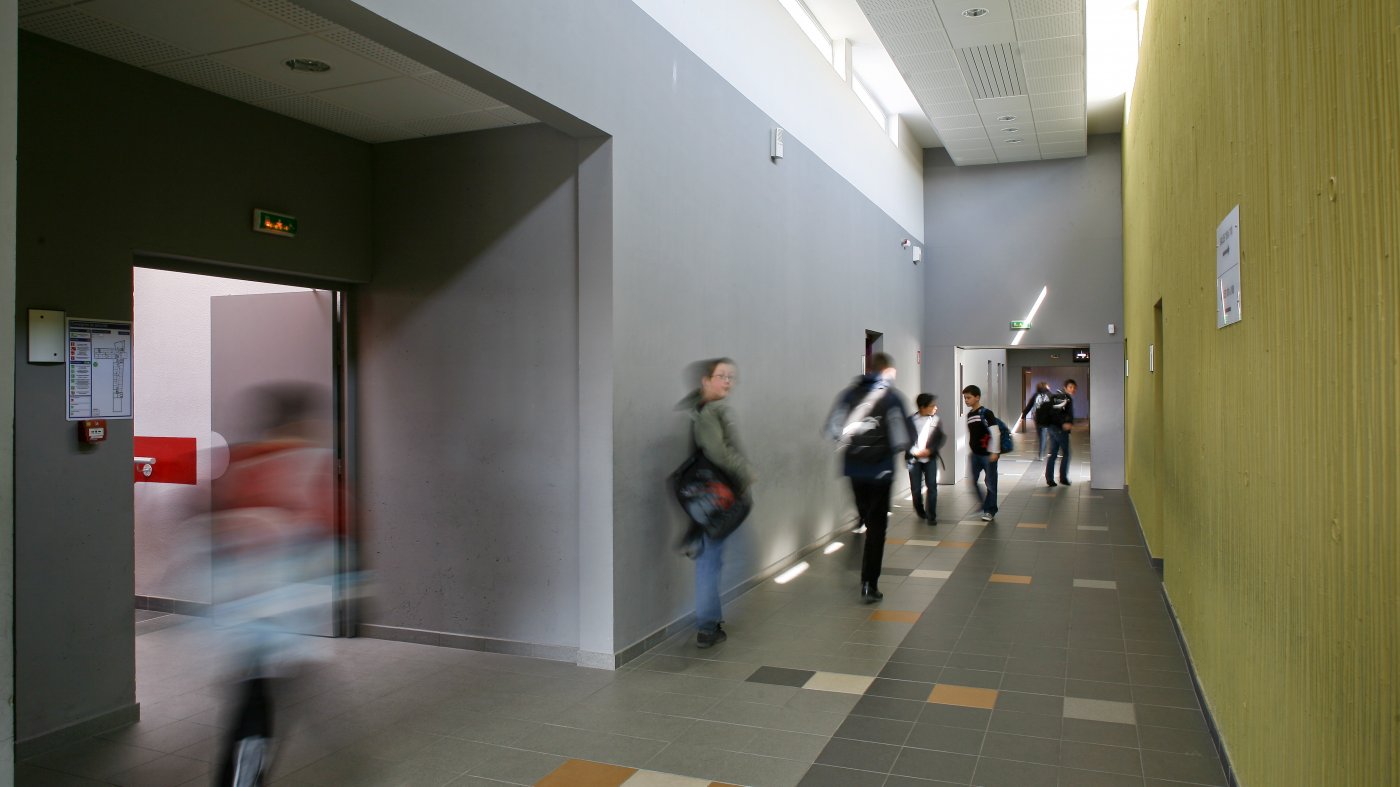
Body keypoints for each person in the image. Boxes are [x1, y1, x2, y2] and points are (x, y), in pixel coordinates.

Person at [678, 358, 754, 649]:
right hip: (716, 497)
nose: (727, 382)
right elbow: (718, 452)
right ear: (705, 381)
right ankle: (707, 626)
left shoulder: (701, 410)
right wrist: (746, 473)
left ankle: (710, 619)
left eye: (731, 377)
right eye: (721, 376)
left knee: (711, 559)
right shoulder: (710, 413)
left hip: (707, 496)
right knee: (713, 562)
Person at [825, 352, 912, 603]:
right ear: (888, 372)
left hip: (853, 470)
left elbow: (832, 429)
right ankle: (868, 584)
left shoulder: (848, 394)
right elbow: (903, 438)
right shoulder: (892, 397)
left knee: (864, 514)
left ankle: (859, 526)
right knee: (877, 528)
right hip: (881, 473)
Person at [962, 384, 1007, 521]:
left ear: (977, 397)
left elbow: (995, 433)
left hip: (988, 455)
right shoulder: (970, 415)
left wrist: (995, 452)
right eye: (965, 398)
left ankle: (990, 510)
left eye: (968, 398)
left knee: (991, 483)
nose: (966, 400)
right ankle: (983, 503)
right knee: (972, 481)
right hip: (975, 455)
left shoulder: (986, 413)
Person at [907, 393, 943, 523]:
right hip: (913, 460)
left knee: (932, 486)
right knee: (916, 489)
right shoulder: (910, 421)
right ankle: (920, 511)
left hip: (930, 458)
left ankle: (931, 516)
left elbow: (940, 438)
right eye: (932, 405)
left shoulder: (935, 420)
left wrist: (930, 450)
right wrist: (914, 451)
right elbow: (904, 440)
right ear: (922, 407)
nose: (935, 408)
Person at [1044, 379, 1078, 487]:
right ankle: (1063, 478)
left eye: (1074, 387)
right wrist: (1064, 423)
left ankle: (1050, 479)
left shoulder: (1061, 397)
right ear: (1065, 387)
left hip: (1052, 428)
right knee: (1066, 453)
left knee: (1053, 453)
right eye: (1070, 387)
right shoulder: (1065, 398)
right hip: (1059, 429)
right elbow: (1056, 413)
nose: (1073, 389)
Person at [1021, 381, 1052, 459]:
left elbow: (1029, 406)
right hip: (1047, 419)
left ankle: (1042, 453)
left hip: (1038, 419)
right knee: (1043, 436)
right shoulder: (1050, 395)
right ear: (1046, 387)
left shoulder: (1035, 395)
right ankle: (1042, 454)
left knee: (1040, 436)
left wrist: (1023, 416)